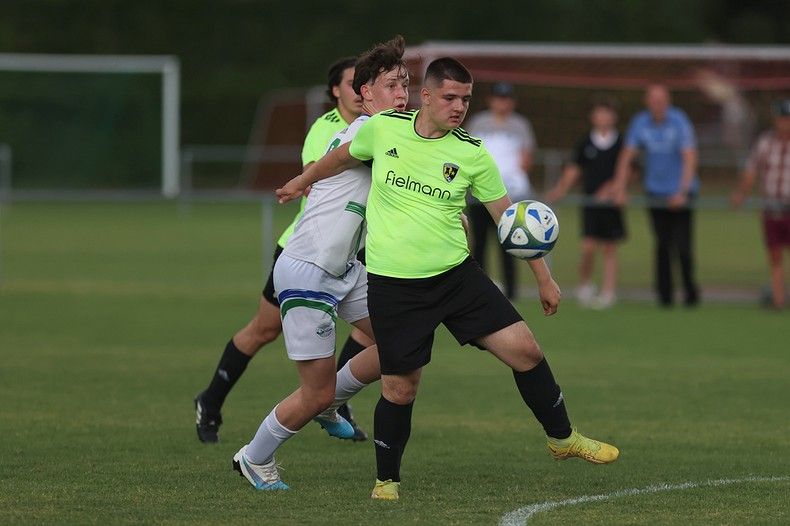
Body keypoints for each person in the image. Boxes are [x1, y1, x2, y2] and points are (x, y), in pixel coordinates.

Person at [277, 57, 619, 502]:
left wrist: (545, 279)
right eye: (450, 97)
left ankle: (562, 438)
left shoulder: (473, 153)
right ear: (427, 96)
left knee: (527, 350)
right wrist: (300, 180)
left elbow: (509, 220)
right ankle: (387, 482)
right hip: (394, 285)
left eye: (466, 99)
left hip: (457, 279)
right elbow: (337, 160)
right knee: (401, 387)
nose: (459, 107)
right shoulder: (384, 130)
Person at [232, 36, 411, 491]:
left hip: (346, 271)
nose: (402, 94)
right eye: (392, 85)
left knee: (402, 344)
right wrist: (301, 180)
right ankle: (255, 457)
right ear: (365, 93)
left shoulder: (387, 132)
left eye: (406, 85)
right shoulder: (369, 132)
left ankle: (331, 404)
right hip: (310, 268)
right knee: (315, 390)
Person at [194, 57, 372, 444]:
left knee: (380, 329)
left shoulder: (384, 127)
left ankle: (332, 402)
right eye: (352, 83)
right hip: (304, 249)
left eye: (365, 83)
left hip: (353, 248)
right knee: (264, 329)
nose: (360, 90)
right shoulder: (326, 128)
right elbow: (316, 171)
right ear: (336, 92)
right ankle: (210, 401)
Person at [612, 84, 700, 307]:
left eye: (661, 99)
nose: (657, 104)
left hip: (681, 193)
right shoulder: (640, 123)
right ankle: (664, 297)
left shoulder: (679, 121)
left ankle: (690, 294)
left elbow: (689, 157)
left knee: (683, 246)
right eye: (653, 99)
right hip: (655, 193)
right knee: (662, 244)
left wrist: (681, 192)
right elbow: (627, 156)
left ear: (668, 101)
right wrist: (620, 188)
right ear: (647, 102)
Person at [546, 98, 626, 309]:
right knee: (588, 247)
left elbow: (630, 170)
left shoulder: (622, 143)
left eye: (607, 113)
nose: (603, 117)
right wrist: (561, 189)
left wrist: (613, 189)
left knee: (609, 247)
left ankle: (608, 292)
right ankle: (584, 286)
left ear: (614, 117)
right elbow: (575, 168)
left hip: (611, 205)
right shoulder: (586, 142)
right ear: (593, 117)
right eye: (599, 113)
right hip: (590, 203)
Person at [465, 82, 536, 299]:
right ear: (491, 100)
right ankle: (480, 290)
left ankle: (511, 292)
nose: (502, 103)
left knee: (509, 244)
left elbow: (527, 158)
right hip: (478, 197)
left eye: (506, 99)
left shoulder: (520, 125)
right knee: (480, 245)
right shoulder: (478, 122)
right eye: (499, 98)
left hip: (509, 196)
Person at [731, 99, 790, 310]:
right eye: (782, 118)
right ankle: (778, 299)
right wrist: (741, 193)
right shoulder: (765, 142)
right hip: (772, 208)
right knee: (774, 255)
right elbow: (751, 170)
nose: (785, 123)